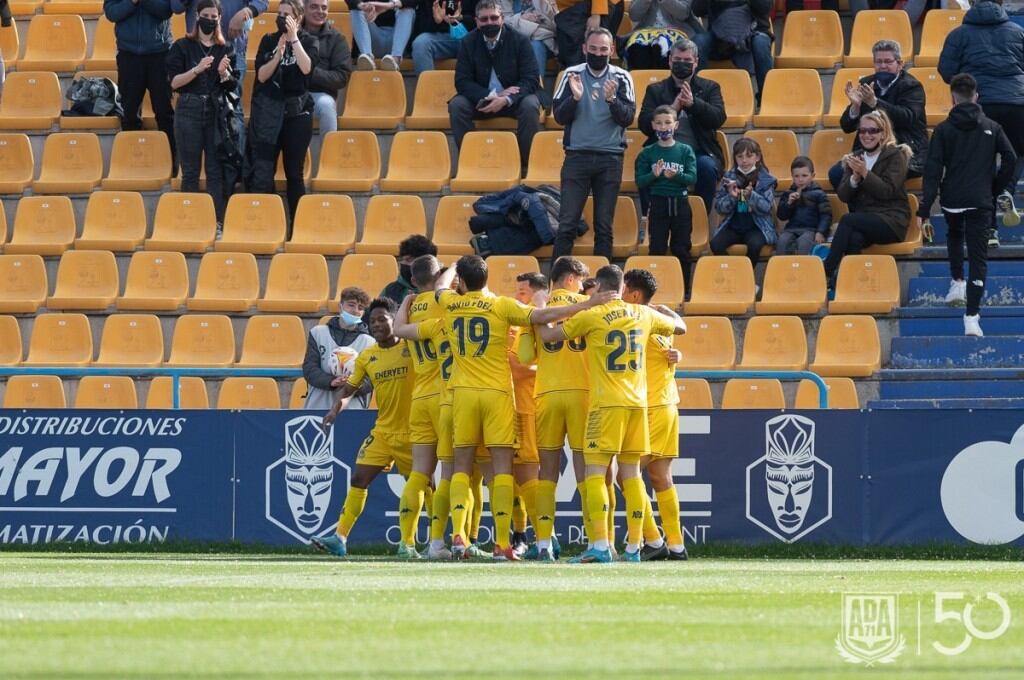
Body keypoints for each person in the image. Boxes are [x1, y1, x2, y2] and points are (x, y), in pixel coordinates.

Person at [434, 255, 612, 560]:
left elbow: (439, 285)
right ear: (488, 279)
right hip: (499, 394)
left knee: (460, 466)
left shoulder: (450, 302)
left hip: (462, 393)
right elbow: (541, 318)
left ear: (460, 282)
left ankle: (459, 538)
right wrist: (583, 306)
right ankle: (503, 543)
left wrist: (451, 268)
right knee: (504, 469)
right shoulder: (502, 306)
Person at [535, 264, 685, 563]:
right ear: (620, 287)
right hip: (638, 405)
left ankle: (601, 545)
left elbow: (549, 337)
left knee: (595, 473)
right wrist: (664, 310)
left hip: (606, 403)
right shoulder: (643, 314)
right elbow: (680, 327)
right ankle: (634, 547)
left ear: (600, 289)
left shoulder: (592, 315)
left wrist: (539, 311)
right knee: (631, 474)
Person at [315, 298, 420, 559]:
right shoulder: (367, 356)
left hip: (415, 432)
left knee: (420, 487)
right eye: (372, 321)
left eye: (382, 319)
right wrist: (333, 410)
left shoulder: (412, 348)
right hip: (383, 431)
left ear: (394, 321)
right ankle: (340, 538)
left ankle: (410, 544)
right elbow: (349, 389)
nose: (376, 325)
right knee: (358, 479)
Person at [918, 73, 1018, 338]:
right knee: (978, 258)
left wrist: (924, 208)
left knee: (953, 234)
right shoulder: (993, 127)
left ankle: (957, 282)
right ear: (976, 96)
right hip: (980, 199)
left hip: (952, 198)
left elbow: (932, 170)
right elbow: (1010, 158)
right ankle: (972, 317)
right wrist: (995, 189)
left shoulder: (942, 129)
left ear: (953, 97)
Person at [516, 256, 591, 561]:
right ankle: (599, 541)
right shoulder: (590, 306)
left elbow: (523, 356)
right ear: (571, 278)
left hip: (547, 393)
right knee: (588, 470)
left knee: (546, 471)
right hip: (583, 393)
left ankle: (545, 543)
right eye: (582, 279)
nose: (584, 285)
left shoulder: (537, 312)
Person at [939, 0, 1024, 241]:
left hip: (978, 104)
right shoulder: (1018, 31)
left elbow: (946, 70)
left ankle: (989, 230)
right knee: (1018, 152)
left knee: (981, 163)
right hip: (1016, 103)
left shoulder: (959, 34)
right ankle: (1006, 190)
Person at [550, 28, 636, 260]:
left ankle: (602, 287)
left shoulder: (622, 77)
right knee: (566, 224)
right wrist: (575, 98)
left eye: (603, 49)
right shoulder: (571, 74)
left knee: (604, 227)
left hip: (611, 158)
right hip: (577, 157)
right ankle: (555, 286)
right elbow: (559, 116)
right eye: (594, 48)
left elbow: (627, 117)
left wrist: (612, 100)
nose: (598, 53)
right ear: (584, 48)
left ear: (612, 50)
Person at [621, 268, 687, 562]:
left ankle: (651, 538)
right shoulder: (657, 320)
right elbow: (680, 329)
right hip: (667, 403)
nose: (619, 295)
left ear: (634, 295)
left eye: (623, 289)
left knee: (624, 474)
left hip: (652, 407)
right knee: (660, 476)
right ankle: (676, 546)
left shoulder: (637, 319)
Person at [247, 0, 318, 226]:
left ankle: (298, 224)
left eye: (286, 14)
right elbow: (261, 76)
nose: (281, 18)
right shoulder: (268, 40)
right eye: (279, 13)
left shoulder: (308, 41)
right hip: (269, 115)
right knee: (264, 170)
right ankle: (267, 223)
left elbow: (307, 68)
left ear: (297, 18)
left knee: (293, 173)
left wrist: (293, 39)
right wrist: (277, 55)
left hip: (296, 115)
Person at [638, 37, 726, 221]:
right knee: (645, 165)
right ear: (670, 60)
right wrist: (673, 109)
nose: (682, 64)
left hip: (699, 152)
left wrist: (694, 105)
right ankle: (651, 220)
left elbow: (718, 118)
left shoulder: (710, 88)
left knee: (707, 168)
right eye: (677, 60)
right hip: (663, 151)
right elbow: (645, 125)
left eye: (687, 61)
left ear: (696, 63)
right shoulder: (656, 90)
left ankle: (699, 220)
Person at [167, 0, 238, 223]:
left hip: (215, 111)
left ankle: (215, 221)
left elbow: (232, 86)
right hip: (188, 108)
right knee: (190, 171)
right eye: (205, 15)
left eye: (213, 16)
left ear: (219, 18)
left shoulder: (225, 49)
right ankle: (188, 221)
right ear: (197, 16)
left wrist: (224, 73)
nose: (209, 19)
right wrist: (197, 70)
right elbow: (174, 83)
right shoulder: (182, 46)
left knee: (215, 170)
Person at [824, 110, 911, 289]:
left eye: (873, 130)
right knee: (854, 239)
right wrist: (854, 179)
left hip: (892, 220)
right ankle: (852, 283)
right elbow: (843, 195)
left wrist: (865, 173)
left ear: (883, 132)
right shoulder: (856, 157)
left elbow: (888, 191)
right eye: (862, 131)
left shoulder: (896, 155)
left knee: (847, 220)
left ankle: (827, 270)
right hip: (866, 219)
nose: (867, 135)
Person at [448, 0, 542, 164]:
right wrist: (491, 96)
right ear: (477, 22)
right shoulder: (468, 42)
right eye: (484, 19)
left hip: (514, 101)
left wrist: (506, 99)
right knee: (457, 105)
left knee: (530, 104)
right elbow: (462, 81)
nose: (489, 22)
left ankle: (526, 163)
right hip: (483, 100)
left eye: (494, 17)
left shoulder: (520, 41)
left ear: (502, 19)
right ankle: (469, 161)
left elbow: (531, 79)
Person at [828, 40, 927, 191]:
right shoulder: (867, 83)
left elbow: (907, 118)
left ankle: (879, 213)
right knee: (837, 174)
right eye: (878, 62)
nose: (882, 66)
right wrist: (855, 106)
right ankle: (860, 211)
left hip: (903, 148)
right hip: (869, 150)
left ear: (899, 64)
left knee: (876, 172)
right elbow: (846, 127)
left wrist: (875, 103)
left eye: (888, 61)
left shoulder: (911, 86)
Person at [171, 0, 269, 149]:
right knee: (199, 108)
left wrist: (245, 13)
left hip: (232, 50)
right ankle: (205, 164)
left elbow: (262, 2)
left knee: (232, 108)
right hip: (196, 51)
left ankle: (236, 165)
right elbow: (176, 7)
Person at [104, 0, 176, 165]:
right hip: (128, 55)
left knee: (164, 112)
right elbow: (111, 13)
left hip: (160, 54)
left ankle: (171, 162)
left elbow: (166, 11)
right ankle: (133, 161)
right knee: (129, 113)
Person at [635, 104, 697, 293]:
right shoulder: (647, 153)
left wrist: (675, 176)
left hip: (680, 204)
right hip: (659, 203)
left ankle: (684, 289)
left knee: (681, 249)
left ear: (676, 125)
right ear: (653, 125)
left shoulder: (685, 150)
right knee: (657, 248)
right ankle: (655, 291)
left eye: (668, 122)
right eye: (659, 123)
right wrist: (654, 174)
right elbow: (640, 181)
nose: (663, 127)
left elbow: (692, 179)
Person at [509, 271, 546, 556]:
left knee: (528, 473)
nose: (516, 296)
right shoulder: (516, 325)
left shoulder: (537, 323)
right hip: (511, 406)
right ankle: (520, 535)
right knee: (509, 476)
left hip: (527, 408)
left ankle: (544, 537)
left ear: (537, 294)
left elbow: (518, 368)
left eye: (522, 291)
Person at [709, 137, 777, 271]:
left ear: (757, 157)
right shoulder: (729, 178)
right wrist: (732, 197)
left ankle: (747, 277)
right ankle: (734, 274)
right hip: (734, 225)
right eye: (740, 156)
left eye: (749, 156)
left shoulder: (766, 180)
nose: (744, 160)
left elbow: (766, 207)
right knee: (715, 244)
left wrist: (751, 195)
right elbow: (719, 208)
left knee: (754, 244)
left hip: (757, 226)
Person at [303, 286, 376, 410]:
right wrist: (331, 381)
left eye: (360, 308)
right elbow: (310, 368)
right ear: (340, 306)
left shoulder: (369, 342)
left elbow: (371, 379)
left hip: (352, 409)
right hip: (318, 406)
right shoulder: (318, 333)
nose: (355, 311)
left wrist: (352, 385)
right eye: (351, 305)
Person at [690, 0, 773, 99]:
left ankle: (766, 98)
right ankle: (697, 96)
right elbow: (697, 11)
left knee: (761, 43)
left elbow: (765, 7)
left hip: (754, 31)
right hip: (720, 35)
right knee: (698, 42)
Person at [303, 0, 351, 135]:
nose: (320, 11)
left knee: (327, 105)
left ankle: (328, 153)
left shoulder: (338, 39)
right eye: (314, 7)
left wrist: (310, 72)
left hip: (319, 94)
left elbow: (342, 77)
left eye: (324, 8)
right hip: (291, 92)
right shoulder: (293, 34)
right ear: (304, 9)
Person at [776, 156, 831, 256]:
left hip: (811, 230)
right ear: (792, 176)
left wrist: (821, 232)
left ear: (813, 175)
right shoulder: (788, 194)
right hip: (791, 229)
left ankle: (804, 270)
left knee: (804, 243)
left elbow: (826, 215)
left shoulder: (819, 194)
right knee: (782, 241)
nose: (800, 179)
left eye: (804, 176)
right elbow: (781, 216)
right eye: (796, 176)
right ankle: (782, 269)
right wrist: (789, 203)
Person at [622, 0, 700, 69]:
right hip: (646, 30)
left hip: (677, 29)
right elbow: (634, 16)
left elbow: (683, 14)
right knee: (637, 49)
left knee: (668, 49)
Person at [498, 0, 556, 85]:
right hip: (509, 42)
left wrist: (518, 23)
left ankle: (536, 88)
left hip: (542, 41)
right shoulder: (499, 2)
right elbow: (501, 24)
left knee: (536, 45)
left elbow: (552, 25)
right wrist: (522, 17)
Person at [411, 0, 476, 75]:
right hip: (443, 39)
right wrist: (436, 21)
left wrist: (462, 18)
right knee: (421, 43)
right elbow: (422, 28)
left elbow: (485, 20)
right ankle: (429, 86)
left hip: (472, 37)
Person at [348, 0, 416, 70]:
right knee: (356, 9)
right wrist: (362, 5)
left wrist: (391, 5)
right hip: (371, 40)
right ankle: (367, 57)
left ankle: (396, 59)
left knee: (407, 10)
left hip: (400, 41)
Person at [381, 235, 438, 304]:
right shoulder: (390, 290)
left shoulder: (440, 291)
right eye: (402, 259)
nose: (402, 263)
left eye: (409, 260)